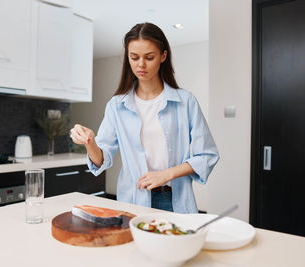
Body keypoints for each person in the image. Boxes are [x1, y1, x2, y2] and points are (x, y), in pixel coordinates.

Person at [70, 22, 219, 213]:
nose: (140, 64)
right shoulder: (116, 106)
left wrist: (166, 174)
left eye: (149, 57)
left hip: (173, 199)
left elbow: (207, 155)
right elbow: (101, 160)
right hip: (133, 200)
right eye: (134, 57)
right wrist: (90, 142)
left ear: (163, 56)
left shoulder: (185, 101)